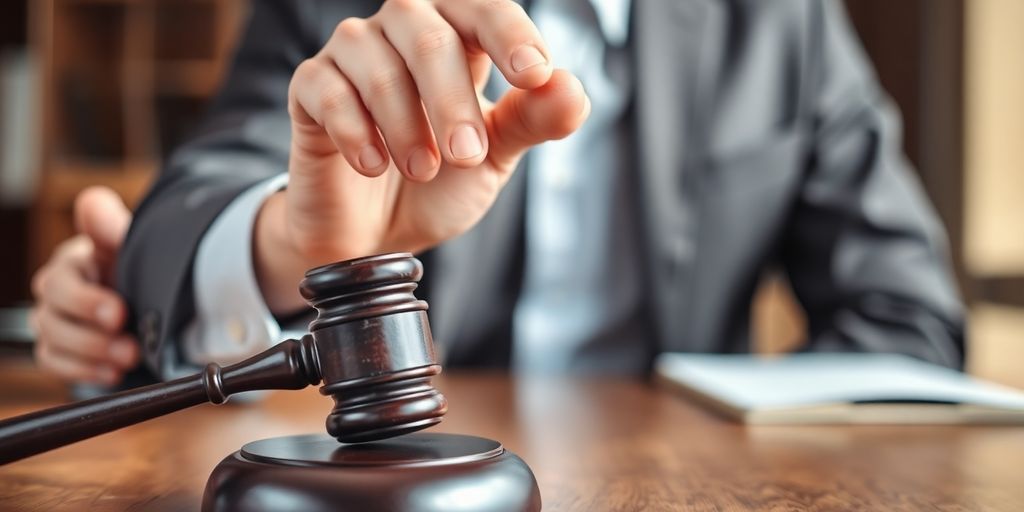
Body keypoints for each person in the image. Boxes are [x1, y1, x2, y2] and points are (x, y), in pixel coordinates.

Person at [31, 0, 965, 386]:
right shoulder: (347, 7)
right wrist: (294, 247)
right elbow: (202, 194)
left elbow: (910, 324)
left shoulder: (782, 21)